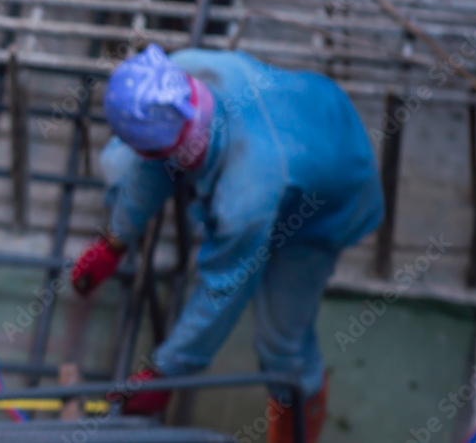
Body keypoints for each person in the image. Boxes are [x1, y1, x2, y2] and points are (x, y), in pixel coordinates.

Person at [71, 45, 383, 443]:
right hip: (311, 110)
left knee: (281, 343)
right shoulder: (180, 75)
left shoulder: (245, 197)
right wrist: (115, 240)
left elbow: (224, 290)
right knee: (121, 163)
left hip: (331, 196)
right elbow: (152, 164)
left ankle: (298, 418)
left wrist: (167, 372)